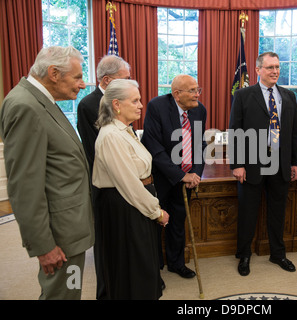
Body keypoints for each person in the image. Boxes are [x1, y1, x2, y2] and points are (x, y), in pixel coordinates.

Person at [0, 46, 94, 299]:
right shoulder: (26, 106)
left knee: (70, 292)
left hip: (68, 227)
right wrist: (43, 246)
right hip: (58, 234)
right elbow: (25, 186)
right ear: (53, 73)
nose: (82, 84)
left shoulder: (41, 101)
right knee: (62, 295)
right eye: (77, 77)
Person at [92, 79, 168, 299]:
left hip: (135, 203)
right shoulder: (111, 136)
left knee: (143, 265)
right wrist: (156, 211)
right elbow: (129, 184)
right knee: (133, 269)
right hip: (125, 206)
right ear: (116, 105)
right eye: (135, 100)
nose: (141, 105)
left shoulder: (125, 131)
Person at [229, 52, 297, 276]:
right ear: (258, 70)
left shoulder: (288, 96)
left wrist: (296, 162)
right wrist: (237, 164)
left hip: (280, 163)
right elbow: (235, 130)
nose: (275, 71)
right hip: (251, 164)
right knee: (248, 211)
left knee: (278, 211)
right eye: (270, 67)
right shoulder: (243, 95)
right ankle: (244, 255)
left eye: (277, 67)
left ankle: (278, 254)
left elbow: (294, 132)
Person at [141, 74, 207, 280]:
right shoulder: (157, 106)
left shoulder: (199, 110)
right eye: (193, 90)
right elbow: (154, 147)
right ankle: (154, 267)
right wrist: (180, 175)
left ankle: (176, 263)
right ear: (177, 94)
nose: (197, 94)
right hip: (160, 176)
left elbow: (199, 145)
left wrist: (195, 172)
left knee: (178, 220)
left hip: (186, 177)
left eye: (198, 89)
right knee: (155, 221)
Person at [76, 54, 131, 300]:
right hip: (106, 185)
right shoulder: (89, 104)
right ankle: (105, 292)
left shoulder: (121, 100)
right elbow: (94, 152)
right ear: (107, 80)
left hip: (126, 180)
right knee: (105, 242)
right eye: (125, 79)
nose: (131, 84)